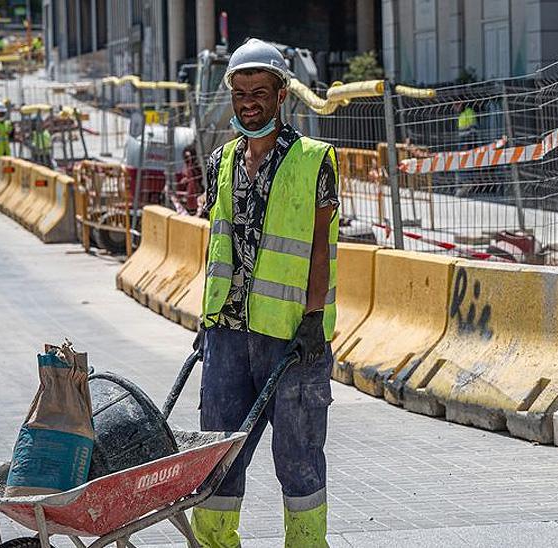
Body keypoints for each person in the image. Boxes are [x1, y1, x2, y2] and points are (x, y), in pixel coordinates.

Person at [191, 38, 339, 548]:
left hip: (292, 338)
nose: (249, 103)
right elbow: (217, 245)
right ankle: (214, 542)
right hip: (227, 334)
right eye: (240, 93)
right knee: (217, 455)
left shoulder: (314, 160)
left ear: (281, 96)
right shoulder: (220, 161)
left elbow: (319, 246)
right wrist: (206, 321)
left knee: (298, 458)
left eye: (259, 92)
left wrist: (314, 317)